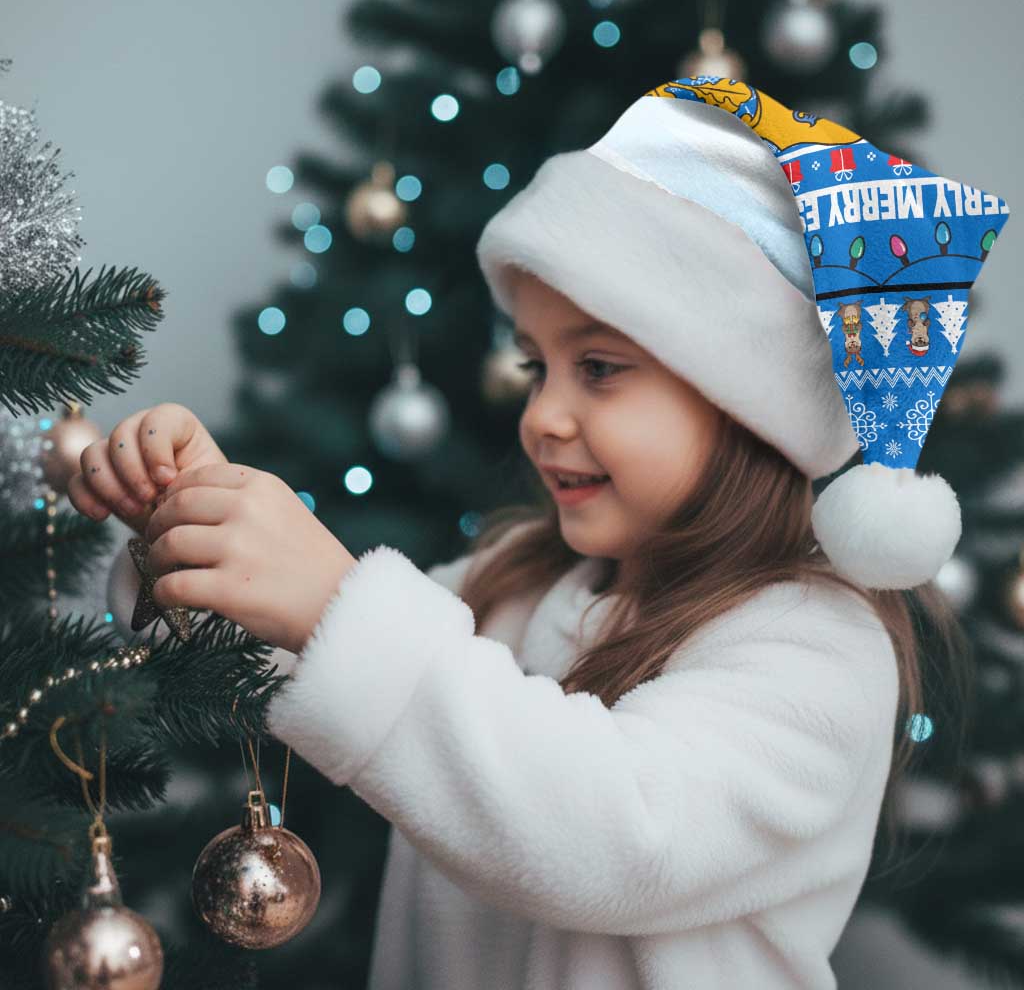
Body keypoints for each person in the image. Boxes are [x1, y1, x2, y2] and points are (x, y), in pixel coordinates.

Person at [71, 76, 1010, 989]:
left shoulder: (817, 650)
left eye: (598, 368)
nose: (543, 416)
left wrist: (334, 603)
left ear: (747, 406)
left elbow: (615, 835)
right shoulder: (515, 583)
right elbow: (306, 659)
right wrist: (191, 531)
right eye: (535, 368)